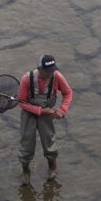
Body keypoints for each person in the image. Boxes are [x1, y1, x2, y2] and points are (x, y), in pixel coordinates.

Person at [17, 54, 73, 183]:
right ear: (39, 69)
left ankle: (52, 167)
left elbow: (68, 93)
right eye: (47, 71)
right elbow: (21, 102)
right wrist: (39, 110)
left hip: (47, 114)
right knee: (26, 143)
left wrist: (62, 110)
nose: (50, 74)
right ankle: (26, 170)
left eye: (52, 70)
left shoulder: (57, 76)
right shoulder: (26, 79)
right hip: (29, 114)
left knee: (49, 142)